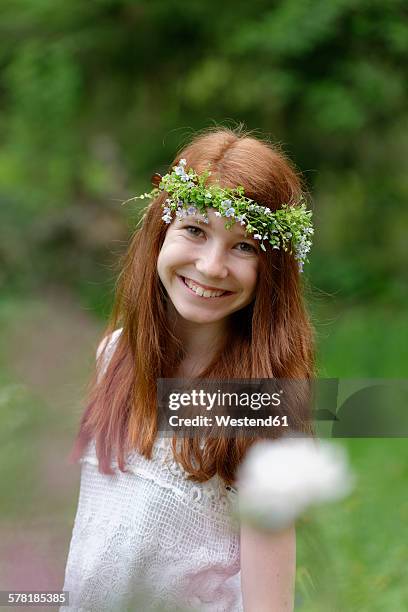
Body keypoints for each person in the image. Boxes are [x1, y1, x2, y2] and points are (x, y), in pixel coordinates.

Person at [60, 126, 315, 611]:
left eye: (245, 246)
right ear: (161, 233)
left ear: (273, 272)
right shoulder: (114, 354)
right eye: (195, 231)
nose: (212, 265)